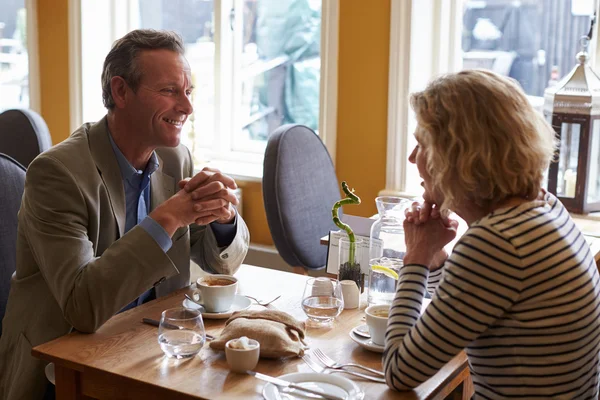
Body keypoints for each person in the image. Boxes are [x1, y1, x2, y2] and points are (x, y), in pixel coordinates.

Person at [0, 29, 250, 399]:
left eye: (188, 92)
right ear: (120, 92)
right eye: (169, 91)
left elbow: (220, 263)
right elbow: (82, 307)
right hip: (63, 366)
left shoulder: (173, 157)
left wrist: (224, 219)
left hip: (150, 347)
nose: (187, 106)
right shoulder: (57, 173)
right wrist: (169, 217)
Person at [383, 69, 600, 398]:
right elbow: (471, 312)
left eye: (421, 145)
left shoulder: (497, 243)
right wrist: (437, 260)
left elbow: (400, 370)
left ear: (457, 156)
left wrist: (414, 260)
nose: (413, 158)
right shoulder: (545, 207)